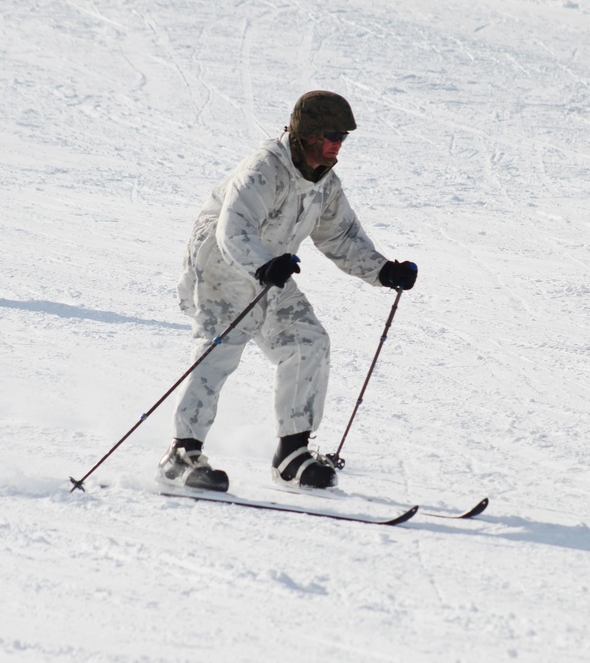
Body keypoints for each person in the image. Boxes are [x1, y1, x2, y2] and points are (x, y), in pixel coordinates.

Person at [157, 90, 417, 492]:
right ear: (307, 134)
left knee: (307, 342)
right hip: (222, 267)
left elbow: (342, 236)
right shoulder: (263, 170)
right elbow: (234, 229)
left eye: (343, 137)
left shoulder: (323, 182)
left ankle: (291, 455)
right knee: (219, 350)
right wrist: (264, 263)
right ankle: (180, 455)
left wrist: (383, 271)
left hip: (270, 269)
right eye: (331, 134)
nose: (337, 145)